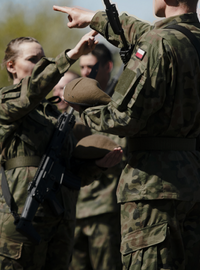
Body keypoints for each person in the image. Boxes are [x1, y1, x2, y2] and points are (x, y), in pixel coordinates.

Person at [54, 0, 200, 269]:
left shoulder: (158, 44)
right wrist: (93, 16)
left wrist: (83, 110)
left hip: (153, 187)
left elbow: (123, 117)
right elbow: (153, 33)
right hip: (195, 180)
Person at [0, 34, 123, 270]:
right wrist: (70, 56)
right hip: (20, 218)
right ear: (11, 66)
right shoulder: (2, 103)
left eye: (43, 60)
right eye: (32, 59)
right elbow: (32, 91)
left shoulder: (55, 116)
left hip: (60, 224)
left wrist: (98, 166)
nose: (40, 65)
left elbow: (70, 173)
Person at [71, 44, 125, 270]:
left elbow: (120, 150)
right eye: (81, 67)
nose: (84, 72)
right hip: (74, 207)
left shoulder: (119, 107)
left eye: (90, 67)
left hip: (104, 207)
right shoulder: (73, 109)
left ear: (108, 67)